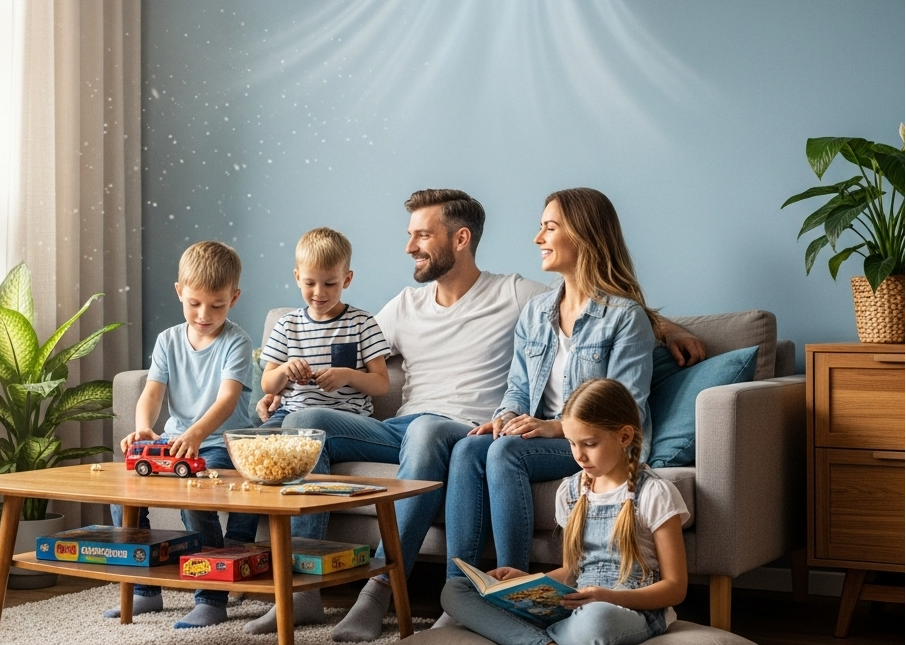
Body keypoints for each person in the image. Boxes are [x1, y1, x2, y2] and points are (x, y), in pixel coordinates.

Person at [248, 189, 704, 640]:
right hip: (410, 429)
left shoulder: (515, 294)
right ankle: (301, 589)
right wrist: (284, 391)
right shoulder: (430, 305)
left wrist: (667, 328)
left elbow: (614, 341)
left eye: (422, 235)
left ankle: (403, 589)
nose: (409, 247)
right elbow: (341, 330)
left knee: (449, 437)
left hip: (481, 431)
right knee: (301, 427)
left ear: (460, 238)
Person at [445, 188, 665, 584]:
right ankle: (459, 586)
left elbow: (624, 409)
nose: (538, 238)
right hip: (539, 435)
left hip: (596, 442)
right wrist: (506, 417)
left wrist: (555, 427)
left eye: (549, 228)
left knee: (506, 452)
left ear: (582, 235)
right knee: (468, 448)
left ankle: (513, 589)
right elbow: (518, 386)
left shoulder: (624, 318)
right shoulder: (536, 311)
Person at [441, 378, 689, 645]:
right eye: (572, 443)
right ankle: (545, 642)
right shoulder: (571, 491)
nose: (578, 456)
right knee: (456, 589)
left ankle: (536, 637)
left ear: (624, 437)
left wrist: (607, 597)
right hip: (576, 606)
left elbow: (675, 588)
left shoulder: (654, 493)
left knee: (596, 618)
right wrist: (525, 582)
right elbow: (572, 571)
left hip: (625, 611)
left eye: (589, 444)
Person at [104, 241, 259, 629]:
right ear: (179, 292)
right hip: (175, 441)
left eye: (217, 305)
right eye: (194, 303)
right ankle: (144, 590)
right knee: (123, 496)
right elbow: (152, 392)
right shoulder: (168, 340)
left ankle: (211, 597)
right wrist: (143, 426)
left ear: (234, 298)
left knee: (195, 498)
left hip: (221, 443)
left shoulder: (237, 342)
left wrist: (195, 434)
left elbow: (227, 400)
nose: (204, 315)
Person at [259, 226, 390, 427]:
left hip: (347, 419)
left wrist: (348, 376)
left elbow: (381, 384)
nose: (319, 292)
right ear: (297, 278)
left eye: (330, 284)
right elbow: (267, 384)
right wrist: (285, 370)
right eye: (310, 283)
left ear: (346, 280)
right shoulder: (287, 325)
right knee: (257, 442)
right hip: (290, 415)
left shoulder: (362, 323)